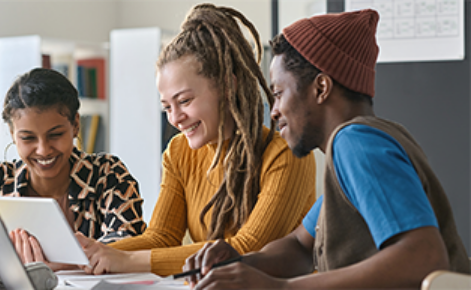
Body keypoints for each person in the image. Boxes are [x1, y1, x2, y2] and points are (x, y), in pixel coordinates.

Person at [182, 8, 471, 290]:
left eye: (279, 93)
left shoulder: (356, 143)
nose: (274, 111)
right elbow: (299, 247)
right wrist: (241, 264)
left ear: (321, 88)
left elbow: (423, 258)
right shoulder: (359, 149)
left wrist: (281, 288)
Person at [74, 3, 316, 277]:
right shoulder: (178, 152)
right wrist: (90, 254)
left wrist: (126, 261)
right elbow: (161, 238)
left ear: (227, 86)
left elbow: (246, 249)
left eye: (184, 101)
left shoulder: (284, 153)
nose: (175, 118)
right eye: (166, 107)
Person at [0, 68, 146, 271]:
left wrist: (45, 262)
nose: (43, 150)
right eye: (28, 138)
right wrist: (1, 252)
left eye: (55, 135)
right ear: (12, 134)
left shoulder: (108, 175)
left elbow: (127, 244)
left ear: (75, 125)